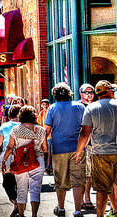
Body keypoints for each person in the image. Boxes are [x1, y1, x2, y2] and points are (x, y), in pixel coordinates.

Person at [75, 80, 117, 217]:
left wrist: (79, 152)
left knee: (102, 189)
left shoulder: (91, 108)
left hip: (100, 153)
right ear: (109, 91)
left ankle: (100, 215)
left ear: (98, 94)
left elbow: (84, 133)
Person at [43, 84, 86, 217]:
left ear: (55, 95)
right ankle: (78, 210)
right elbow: (85, 128)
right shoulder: (80, 107)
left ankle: (61, 208)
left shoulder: (52, 108)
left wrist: (45, 146)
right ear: (70, 94)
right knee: (78, 180)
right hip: (78, 148)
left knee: (60, 180)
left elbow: (47, 131)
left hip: (58, 148)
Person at [2, 105, 47, 217]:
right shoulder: (40, 130)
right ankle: (34, 215)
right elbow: (45, 149)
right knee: (35, 190)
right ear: (34, 116)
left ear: (20, 116)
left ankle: (21, 215)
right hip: (37, 161)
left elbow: (9, 147)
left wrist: (4, 160)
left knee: (21, 190)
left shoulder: (16, 129)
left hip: (20, 162)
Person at [0, 104, 21, 217]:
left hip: (8, 158)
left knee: (7, 183)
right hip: (23, 158)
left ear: (9, 116)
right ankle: (19, 206)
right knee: (21, 185)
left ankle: (16, 203)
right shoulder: (26, 126)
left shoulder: (5, 126)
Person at [78, 83, 96, 212]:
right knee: (81, 174)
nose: (89, 95)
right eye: (86, 92)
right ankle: (82, 200)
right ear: (81, 93)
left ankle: (87, 197)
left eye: (91, 92)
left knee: (89, 174)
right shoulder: (78, 107)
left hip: (94, 144)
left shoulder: (96, 106)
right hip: (82, 144)